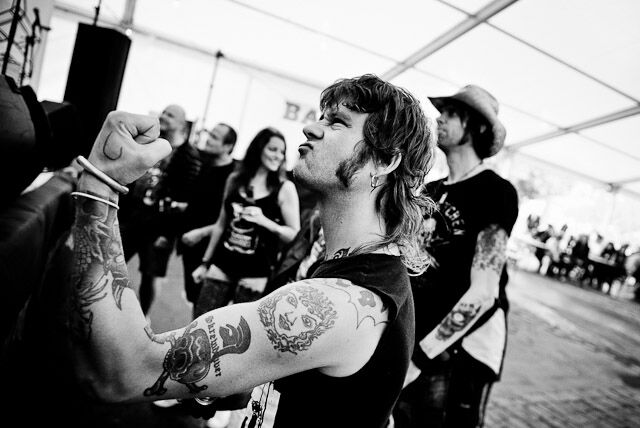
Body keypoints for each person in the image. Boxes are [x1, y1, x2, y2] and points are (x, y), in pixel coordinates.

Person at [64, 74, 436, 428]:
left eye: (338, 122)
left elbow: (119, 371)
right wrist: (246, 377)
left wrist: (100, 183)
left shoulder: (342, 304)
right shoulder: (364, 267)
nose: (311, 128)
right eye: (321, 117)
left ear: (385, 160)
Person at [393, 85, 519, 428]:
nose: (439, 119)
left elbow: (484, 292)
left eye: (451, 114)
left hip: (460, 351)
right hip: (416, 340)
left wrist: (421, 356)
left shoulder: (496, 191)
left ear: (476, 127)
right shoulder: (432, 190)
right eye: (441, 112)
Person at [118, 104, 189, 314]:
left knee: (149, 277)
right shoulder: (151, 143)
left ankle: (143, 317)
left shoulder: (187, 155)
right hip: (134, 219)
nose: (164, 116)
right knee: (113, 265)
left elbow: (185, 200)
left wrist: (168, 233)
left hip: (159, 229)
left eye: (170, 115)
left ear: (181, 124)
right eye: (164, 112)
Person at [178, 123, 238, 312]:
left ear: (228, 146)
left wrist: (200, 233)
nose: (208, 140)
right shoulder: (205, 165)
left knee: (206, 305)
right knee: (194, 299)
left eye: (214, 137)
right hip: (190, 246)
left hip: (211, 249)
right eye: (209, 134)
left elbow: (231, 217)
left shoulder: (234, 176)